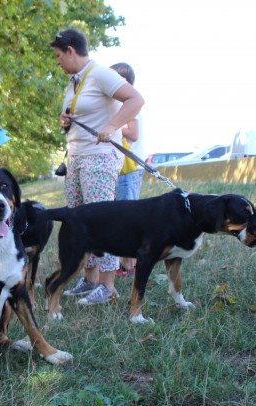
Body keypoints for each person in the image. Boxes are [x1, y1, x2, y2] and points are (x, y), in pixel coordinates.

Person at [50, 28, 144, 305]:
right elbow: (80, 111)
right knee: (79, 220)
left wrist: (112, 126)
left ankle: (108, 285)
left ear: (70, 50)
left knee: (103, 221)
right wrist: (65, 120)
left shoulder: (102, 74)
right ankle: (88, 279)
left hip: (99, 157)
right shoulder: (74, 82)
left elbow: (136, 99)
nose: (57, 62)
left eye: (58, 56)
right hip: (77, 156)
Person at [111, 62, 144, 277]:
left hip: (129, 169)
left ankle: (130, 265)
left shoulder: (130, 104)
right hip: (120, 169)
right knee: (119, 217)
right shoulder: (118, 105)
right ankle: (125, 263)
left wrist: (111, 125)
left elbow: (133, 134)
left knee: (128, 218)